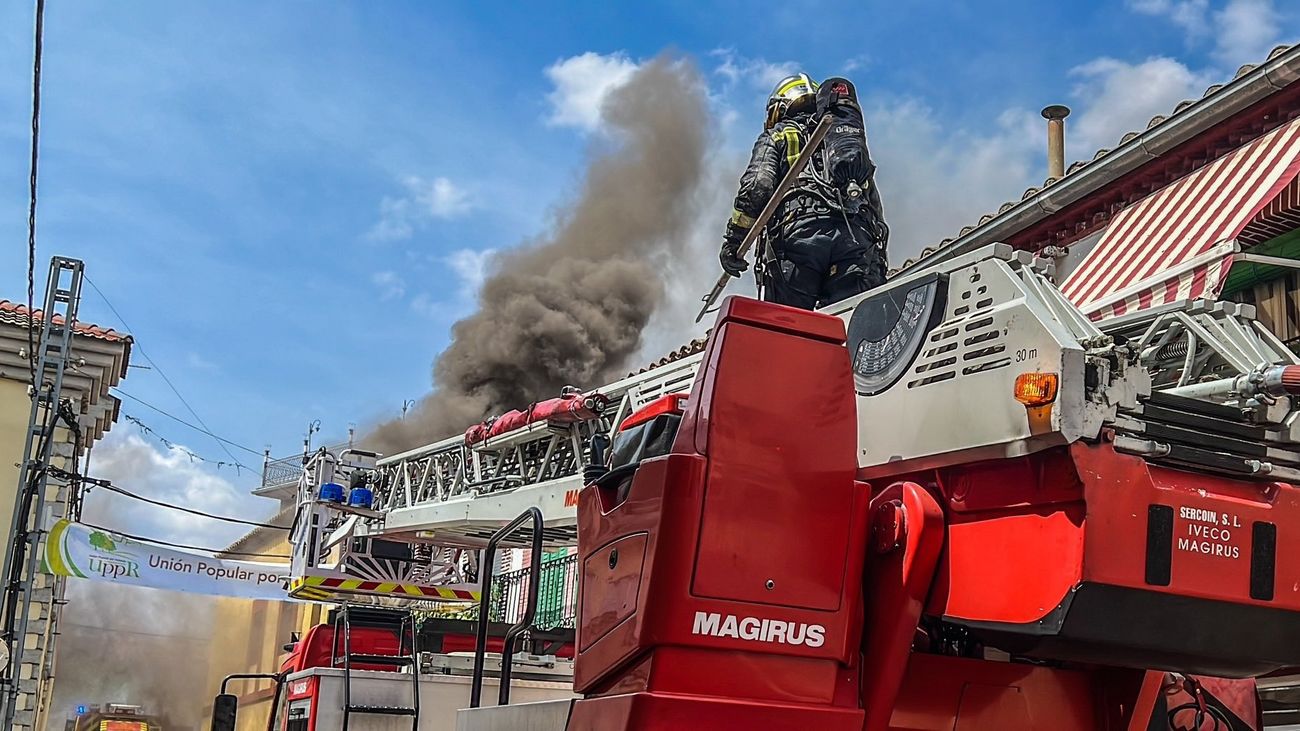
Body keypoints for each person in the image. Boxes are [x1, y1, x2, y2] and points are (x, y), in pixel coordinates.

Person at [719, 73, 889, 310]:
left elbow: (758, 187)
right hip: (855, 239)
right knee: (857, 325)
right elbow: (871, 201)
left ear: (780, 107)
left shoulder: (780, 134)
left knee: (790, 330)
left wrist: (734, 242)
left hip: (799, 240)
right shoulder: (841, 138)